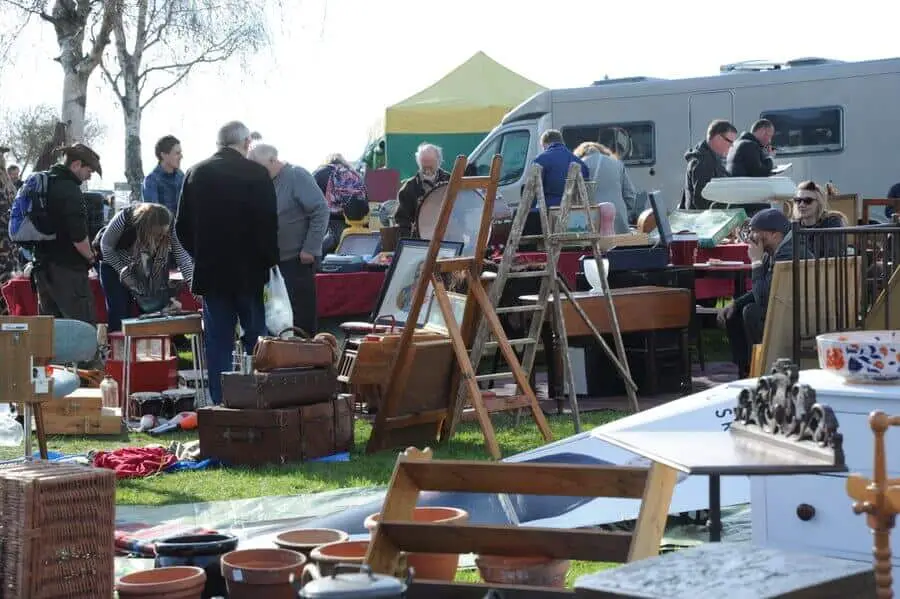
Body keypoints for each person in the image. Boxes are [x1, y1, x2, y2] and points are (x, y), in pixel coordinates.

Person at [175, 121, 278, 405]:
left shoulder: (196, 173)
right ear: (246, 143)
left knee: (218, 340)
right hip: (250, 270)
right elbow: (269, 223)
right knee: (256, 337)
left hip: (213, 271)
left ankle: (221, 401)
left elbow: (181, 226)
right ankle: (258, 395)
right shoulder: (257, 173)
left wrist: (202, 254)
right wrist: (268, 260)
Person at [717, 208, 810, 378]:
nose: (752, 238)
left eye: (756, 234)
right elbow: (764, 289)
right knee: (736, 311)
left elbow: (763, 298)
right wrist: (735, 303)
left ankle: (762, 365)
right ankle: (746, 368)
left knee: (751, 311)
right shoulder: (774, 250)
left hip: (797, 312)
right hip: (783, 304)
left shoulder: (789, 253)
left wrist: (756, 262)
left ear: (775, 235)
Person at [249, 143, 329, 334]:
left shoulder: (296, 175)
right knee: (277, 319)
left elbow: (320, 210)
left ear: (272, 160)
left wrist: (310, 247)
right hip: (273, 264)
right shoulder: (264, 182)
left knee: (300, 319)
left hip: (296, 261)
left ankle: (307, 358)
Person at [31, 144, 102, 325]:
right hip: (68, 271)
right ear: (76, 164)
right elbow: (78, 238)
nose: (90, 175)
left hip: (42, 268)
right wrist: (91, 257)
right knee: (82, 329)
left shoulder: (45, 183)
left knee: (49, 333)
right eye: (89, 170)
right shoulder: (70, 190)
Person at [97, 203, 193, 331]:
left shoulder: (171, 225)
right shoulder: (125, 218)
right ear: (146, 227)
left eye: (164, 234)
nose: (161, 238)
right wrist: (124, 273)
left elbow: (182, 256)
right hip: (113, 265)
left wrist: (193, 284)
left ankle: (150, 346)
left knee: (152, 307)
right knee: (119, 309)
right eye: (157, 234)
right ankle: (119, 346)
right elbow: (106, 247)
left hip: (144, 266)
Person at [526, 130, 590, 241]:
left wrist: (528, 211)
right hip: (576, 220)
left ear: (545, 144)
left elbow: (533, 193)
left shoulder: (540, 160)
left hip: (549, 217)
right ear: (562, 142)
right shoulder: (581, 164)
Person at [573, 142, 636, 234]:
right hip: (618, 222)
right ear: (602, 150)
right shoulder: (617, 164)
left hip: (590, 222)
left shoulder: (579, 165)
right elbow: (630, 196)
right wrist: (624, 214)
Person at [312, 153, 367, 254]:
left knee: (322, 254)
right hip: (355, 221)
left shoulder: (320, 173)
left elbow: (310, 199)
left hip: (329, 220)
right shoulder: (354, 173)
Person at [395, 143, 450, 239]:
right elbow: (403, 222)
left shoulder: (451, 181)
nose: (428, 169)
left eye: (431, 165)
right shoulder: (408, 188)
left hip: (449, 236)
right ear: (419, 163)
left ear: (439, 161)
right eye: (424, 165)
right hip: (421, 239)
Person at [682, 120, 737, 209]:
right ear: (718, 138)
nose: (731, 146)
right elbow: (701, 201)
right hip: (703, 220)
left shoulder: (709, 157)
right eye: (730, 142)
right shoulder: (704, 162)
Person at [142, 135, 184, 215]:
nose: (181, 156)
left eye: (180, 153)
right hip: (163, 226)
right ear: (164, 155)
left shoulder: (181, 176)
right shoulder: (151, 181)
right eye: (177, 153)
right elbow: (153, 216)